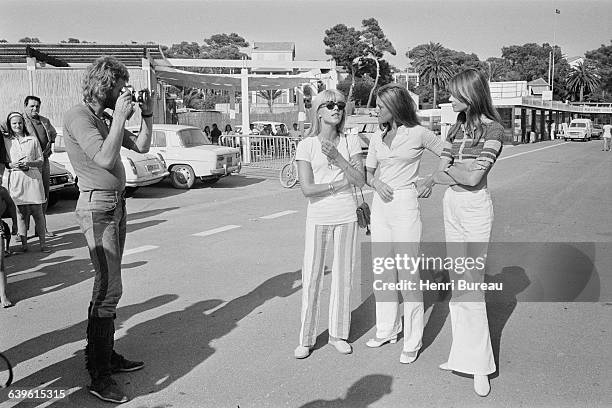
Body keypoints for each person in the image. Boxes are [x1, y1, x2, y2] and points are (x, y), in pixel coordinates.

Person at [63, 56, 154, 404]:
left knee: (110, 287)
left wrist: (144, 116)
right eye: (121, 84)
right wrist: (118, 116)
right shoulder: (79, 116)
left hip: (115, 204)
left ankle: (107, 357)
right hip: (97, 206)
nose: (125, 90)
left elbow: (142, 146)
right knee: (108, 287)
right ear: (105, 83)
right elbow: (102, 158)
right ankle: (98, 373)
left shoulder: (102, 117)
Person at [422, 68, 504, 397]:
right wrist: (458, 170)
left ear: (470, 95)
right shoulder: (455, 128)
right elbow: (440, 173)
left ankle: (481, 365)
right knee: (459, 287)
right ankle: (462, 356)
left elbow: (473, 180)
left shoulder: (493, 129)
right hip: (451, 207)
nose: (450, 99)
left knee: (471, 287)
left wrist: (453, 170)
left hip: (474, 209)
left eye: (455, 95)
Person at [364, 83, 443, 364]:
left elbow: (449, 153)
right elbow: (368, 171)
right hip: (380, 206)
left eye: (381, 106)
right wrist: (376, 182)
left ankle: (412, 340)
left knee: (407, 273)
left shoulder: (418, 133)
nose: (376, 110)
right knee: (382, 271)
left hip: (405, 204)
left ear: (395, 108)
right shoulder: (377, 136)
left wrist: (432, 180)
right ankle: (387, 328)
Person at [294, 89, 365, 359]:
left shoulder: (351, 141)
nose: (336, 109)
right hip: (319, 217)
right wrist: (337, 183)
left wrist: (338, 158)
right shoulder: (307, 145)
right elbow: (308, 189)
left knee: (344, 276)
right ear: (318, 111)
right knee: (311, 278)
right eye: (330, 105)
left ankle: (338, 334)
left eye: (340, 105)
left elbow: (359, 180)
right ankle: (306, 338)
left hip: (346, 215)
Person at [3, 112, 49, 253]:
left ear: (24, 123)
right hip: (17, 179)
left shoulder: (32, 140)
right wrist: (13, 165)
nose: (18, 125)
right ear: (10, 125)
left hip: (33, 179)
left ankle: (43, 244)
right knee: (21, 214)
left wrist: (29, 163)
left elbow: (40, 161)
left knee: (37, 213)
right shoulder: (6, 141)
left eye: (20, 122)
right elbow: (6, 163)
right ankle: (24, 245)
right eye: (14, 123)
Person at [23, 95, 57, 237]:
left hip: (43, 161)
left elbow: (53, 134)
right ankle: (22, 231)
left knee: (43, 195)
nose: (35, 108)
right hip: (27, 164)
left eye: (37, 106)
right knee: (26, 197)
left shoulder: (44, 121)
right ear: (25, 106)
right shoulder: (20, 120)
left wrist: (48, 149)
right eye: (32, 106)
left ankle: (41, 228)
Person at [0, 179, 17, 308]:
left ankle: (3, 295)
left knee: (0, 265)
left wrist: (15, 223)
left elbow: (11, 205)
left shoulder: (1, 190)